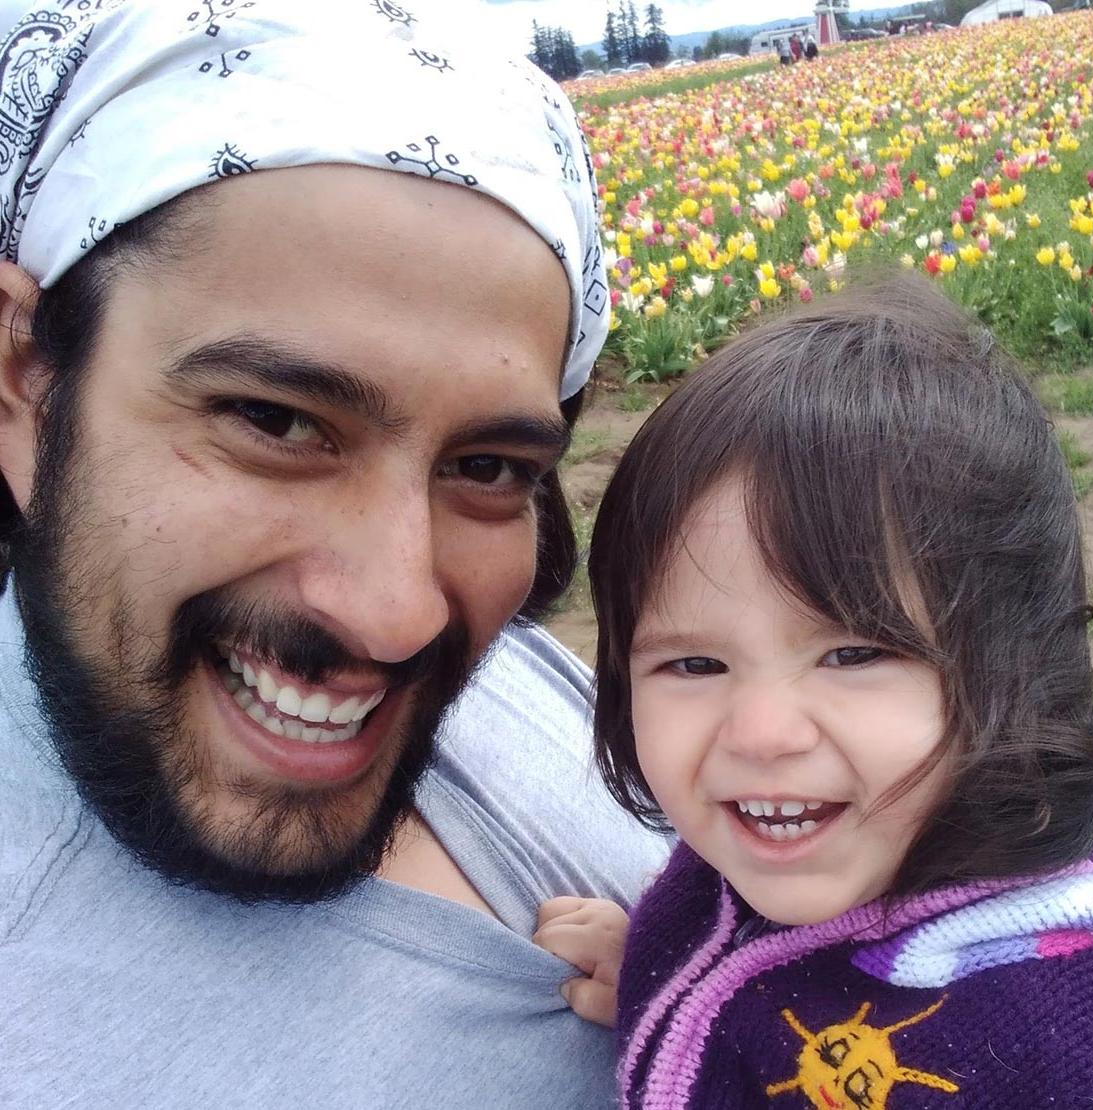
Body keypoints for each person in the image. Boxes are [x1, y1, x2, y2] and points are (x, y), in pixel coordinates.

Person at [0, 1, 668, 1105]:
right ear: (25, 377)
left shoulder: (501, 672)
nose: (398, 611)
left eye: (490, 467)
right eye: (275, 422)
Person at [534, 275, 1093, 1107]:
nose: (760, 734)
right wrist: (680, 980)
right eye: (693, 666)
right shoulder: (737, 879)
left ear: (1017, 663)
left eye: (855, 653)